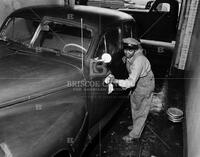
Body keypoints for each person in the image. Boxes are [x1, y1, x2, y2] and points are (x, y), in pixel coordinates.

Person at [112, 38, 155, 142]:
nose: (127, 52)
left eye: (130, 50)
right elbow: (127, 57)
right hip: (139, 83)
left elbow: (131, 82)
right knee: (135, 105)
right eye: (125, 49)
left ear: (135, 50)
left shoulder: (139, 61)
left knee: (141, 109)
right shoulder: (130, 55)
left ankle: (135, 134)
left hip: (144, 84)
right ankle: (137, 126)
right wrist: (124, 58)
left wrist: (116, 81)